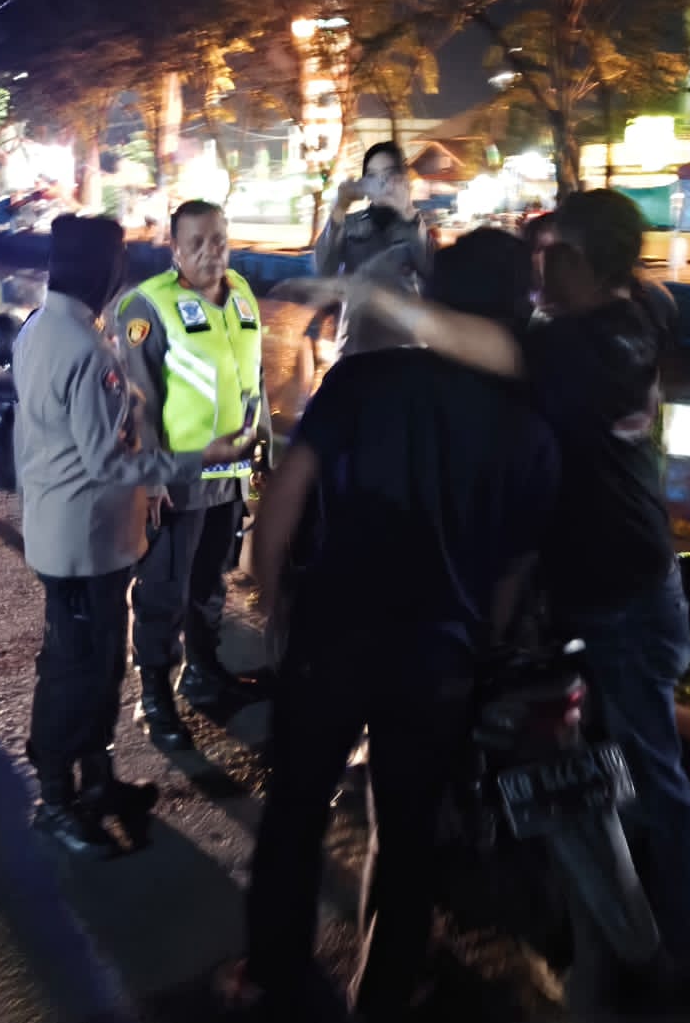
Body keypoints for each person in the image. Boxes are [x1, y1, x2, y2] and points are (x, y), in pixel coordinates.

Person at [333, 190, 690, 1013]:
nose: (543, 266)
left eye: (557, 251)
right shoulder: (635, 312)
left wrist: (377, 299)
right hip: (588, 585)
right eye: (536, 253)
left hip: (618, 591)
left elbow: (484, 345)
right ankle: (625, 934)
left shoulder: (574, 348)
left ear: (596, 266)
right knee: (604, 772)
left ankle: (684, 948)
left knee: (651, 770)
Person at [232, 228, 558, 1021]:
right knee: (407, 829)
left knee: (297, 805)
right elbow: (515, 568)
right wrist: (483, 639)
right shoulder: (531, 426)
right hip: (440, 654)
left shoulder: (363, 379)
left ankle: (272, 972)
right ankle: (383, 989)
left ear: (436, 296)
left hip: (332, 634)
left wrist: (271, 600)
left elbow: (286, 492)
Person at [13, 214, 255, 856]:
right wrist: (195, 461)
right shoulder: (87, 350)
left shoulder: (39, 328)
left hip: (65, 529)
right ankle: (57, 800)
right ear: (103, 268)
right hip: (85, 541)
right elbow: (108, 462)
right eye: (120, 257)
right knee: (76, 671)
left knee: (91, 664)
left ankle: (98, 781)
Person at [114, 200, 272, 751]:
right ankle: (154, 694)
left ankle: (204, 671)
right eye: (197, 243)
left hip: (230, 475)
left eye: (219, 240)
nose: (211, 252)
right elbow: (137, 403)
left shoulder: (243, 294)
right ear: (174, 248)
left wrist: (263, 452)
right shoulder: (147, 306)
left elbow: (254, 379)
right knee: (163, 590)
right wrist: (151, 480)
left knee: (211, 581)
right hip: (177, 480)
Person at [312, 141, 433, 357]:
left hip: (406, 350)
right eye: (372, 176)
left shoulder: (416, 226)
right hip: (356, 348)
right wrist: (339, 208)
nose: (381, 183)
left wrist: (407, 212)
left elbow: (430, 270)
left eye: (388, 175)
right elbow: (323, 267)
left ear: (402, 179)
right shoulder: (350, 224)